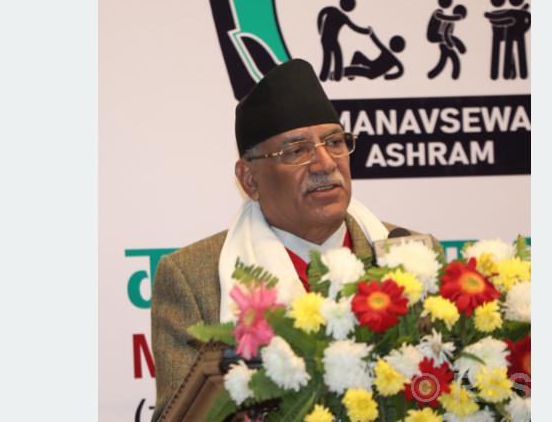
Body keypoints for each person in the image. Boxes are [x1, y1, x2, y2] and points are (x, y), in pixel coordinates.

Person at [150, 59, 440, 420]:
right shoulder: (192, 279)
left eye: (335, 142)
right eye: (297, 150)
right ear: (249, 179)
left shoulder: (411, 254)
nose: (325, 163)